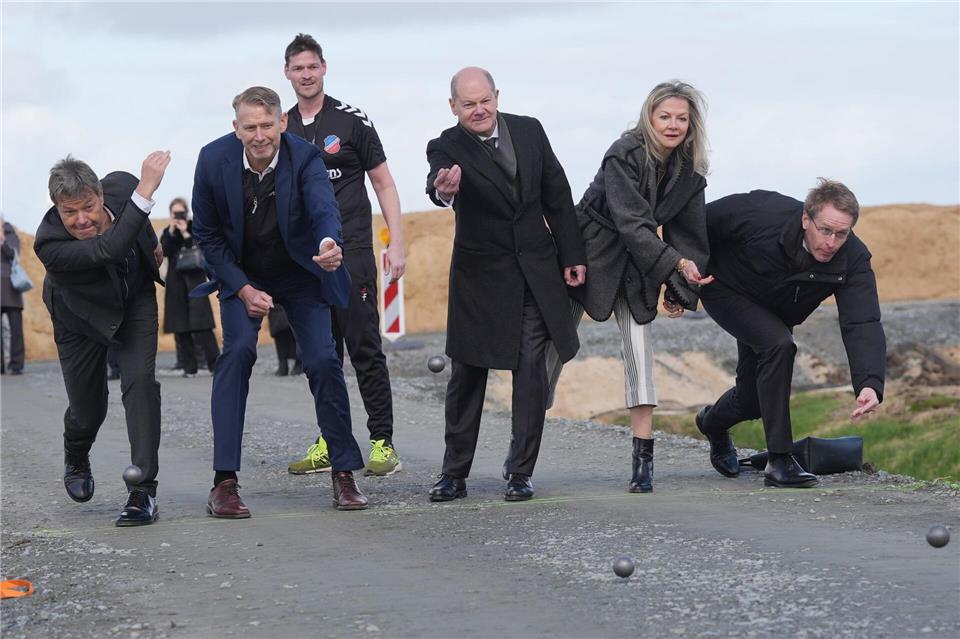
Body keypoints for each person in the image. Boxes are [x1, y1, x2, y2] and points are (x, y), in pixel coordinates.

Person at [191, 86, 368, 517]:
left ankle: (343, 473)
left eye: (266, 125)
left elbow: (324, 209)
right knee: (236, 353)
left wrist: (330, 244)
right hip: (243, 274)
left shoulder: (304, 157)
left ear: (282, 122)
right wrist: (243, 288)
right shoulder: (212, 160)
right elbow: (208, 237)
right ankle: (224, 483)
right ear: (236, 128)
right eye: (249, 127)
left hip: (301, 271)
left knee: (324, 361)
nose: (259, 135)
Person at [425, 67, 587, 502]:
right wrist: (445, 191)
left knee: (531, 368)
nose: (478, 111)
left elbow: (557, 192)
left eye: (484, 101)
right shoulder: (446, 144)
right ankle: (454, 474)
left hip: (536, 268)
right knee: (468, 374)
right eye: (468, 104)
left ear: (496, 96)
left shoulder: (529, 130)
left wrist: (572, 255)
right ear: (453, 106)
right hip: (479, 278)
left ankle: (520, 472)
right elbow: (438, 183)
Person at [549, 81, 713, 493]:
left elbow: (689, 236)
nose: (673, 125)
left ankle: (643, 462)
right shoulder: (623, 153)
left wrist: (680, 288)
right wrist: (674, 263)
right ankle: (524, 448)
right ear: (649, 117)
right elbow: (631, 222)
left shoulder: (690, 172)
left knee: (640, 350)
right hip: (588, 249)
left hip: (639, 260)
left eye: (681, 118)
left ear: (691, 124)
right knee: (552, 350)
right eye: (665, 116)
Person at [696, 180, 886, 488]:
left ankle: (711, 422)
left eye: (842, 234)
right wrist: (680, 281)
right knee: (779, 344)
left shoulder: (853, 258)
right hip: (725, 289)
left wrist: (869, 383)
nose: (832, 242)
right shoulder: (761, 212)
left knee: (753, 401)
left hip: (773, 313)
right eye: (825, 230)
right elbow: (695, 225)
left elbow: (862, 321)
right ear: (805, 219)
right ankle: (780, 461)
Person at [283, 34, 404, 477]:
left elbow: (384, 183)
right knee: (320, 354)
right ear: (288, 74)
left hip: (352, 251)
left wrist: (396, 241)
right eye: (298, 68)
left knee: (364, 348)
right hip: (306, 261)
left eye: (312, 66)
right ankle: (331, 441)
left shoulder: (351, 120)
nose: (306, 74)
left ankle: (382, 443)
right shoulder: (280, 127)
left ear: (324, 68)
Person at [33, 152, 170, 526]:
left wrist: (152, 242)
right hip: (80, 316)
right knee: (88, 408)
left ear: (99, 193)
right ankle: (76, 451)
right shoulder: (49, 244)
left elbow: (136, 225)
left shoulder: (124, 185)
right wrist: (148, 190)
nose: (82, 220)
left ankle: (143, 491)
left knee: (140, 383)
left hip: (134, 301)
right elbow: (108, 249)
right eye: (70, 213)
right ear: (57, 210)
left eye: (88, 208)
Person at [160, 197, 220, 376]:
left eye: (181, 212)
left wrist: (186, 233)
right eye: (175, 213)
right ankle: (189, 367)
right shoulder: (167, 232)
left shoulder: (195, 229)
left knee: (203, 326)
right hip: (176, 284)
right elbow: (164, 252)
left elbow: (199, 250)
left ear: (187, 212)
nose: (178, 216)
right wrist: (172, 230)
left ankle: (215, 365)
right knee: (181, 327)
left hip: (195, 282)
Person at [1, 217, 26, 375]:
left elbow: (13, 254)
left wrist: (2, 240)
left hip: (10, 288)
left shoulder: (10, 234)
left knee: (16, 329)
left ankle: (16, 364)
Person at [268, 305, 303, 376]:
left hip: (277, 308)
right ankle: (297, 363)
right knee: (295, 332)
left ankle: (284, 365)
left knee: (280, 330)